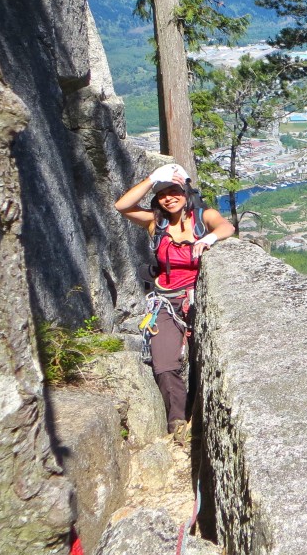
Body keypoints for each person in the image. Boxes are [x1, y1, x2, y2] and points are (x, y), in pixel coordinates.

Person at [115, 162, 234, 440]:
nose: (168, 197)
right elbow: (122, 206)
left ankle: (199, 418)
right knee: (165, 363)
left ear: (186, 191)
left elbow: (226, 226)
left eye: (174, 190)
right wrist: (152, 178)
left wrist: (209, 239)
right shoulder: (156, 223)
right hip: (165, 302)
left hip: (198, 299)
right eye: (162, 193)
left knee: (200, 360)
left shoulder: (204, 217)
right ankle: (177, 421)